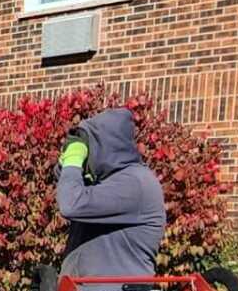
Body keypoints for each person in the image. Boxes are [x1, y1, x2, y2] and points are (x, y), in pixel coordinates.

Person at [56, 107, 165, 280]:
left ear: (104, 146)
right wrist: (69, 165)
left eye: (89, 146)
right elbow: (66, 185)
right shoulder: (108, 181)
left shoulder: (136, 183)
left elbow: (70, 203)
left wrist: (73, 160)